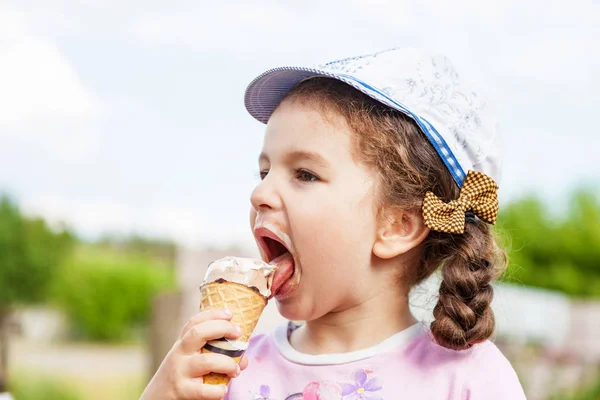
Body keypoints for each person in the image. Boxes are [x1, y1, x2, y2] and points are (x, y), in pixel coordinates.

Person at [140, 47, 527, 400]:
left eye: (305, 174)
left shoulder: (470, 380)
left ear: (398, 225)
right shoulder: (226, 373)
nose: (259, 194)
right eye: (264, 172)